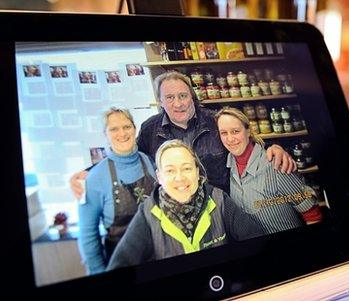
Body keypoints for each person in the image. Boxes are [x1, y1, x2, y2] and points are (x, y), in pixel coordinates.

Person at [70, 71, 294, 196]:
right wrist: (89, 172)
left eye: (183, 96)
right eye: (169, 98)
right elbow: (128, 157)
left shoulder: (215, 120)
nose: (177, 104)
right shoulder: (150, 129)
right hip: (179, 208)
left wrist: (273, 148)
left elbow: (245, 140)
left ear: (192, 96)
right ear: (160, 101)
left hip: (225, 204)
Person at [106, 140, 263, 270]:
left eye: (187, 168)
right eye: (170, 171)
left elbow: (257, 242)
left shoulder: (219, 200)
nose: (179, 178)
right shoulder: (148, 213)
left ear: (197, 171)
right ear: (159, 177)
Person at [215, 107, 322, 234]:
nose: (230, 139)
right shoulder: (229, 164)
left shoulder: (276, 165)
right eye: (224, 133)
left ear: (248, 131)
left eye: (235, 131)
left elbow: (312, 214)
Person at [78, 106, 156, 275]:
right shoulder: (95, 177)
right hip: (122, 265)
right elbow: (87, 234)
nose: (122, 133)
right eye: (114, 129)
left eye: (127, 127)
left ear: (135, 129)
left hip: (159, 255)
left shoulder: (149, 162)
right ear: (105, 134)